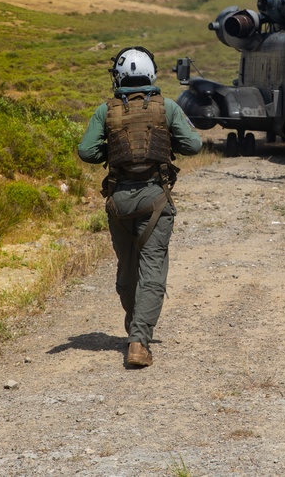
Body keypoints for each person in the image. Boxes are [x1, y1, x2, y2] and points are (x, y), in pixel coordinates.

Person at [77, 46, 203, 368]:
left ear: (118, 76)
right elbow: (194, 145)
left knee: (127, 270)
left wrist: (114, 148)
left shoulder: (105, 111)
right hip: (155, 200)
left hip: (119, 201)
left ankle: (134, 324)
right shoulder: (168, 108)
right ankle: (139, 341)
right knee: (153, 270)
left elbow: (86, 152)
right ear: (151, 74)